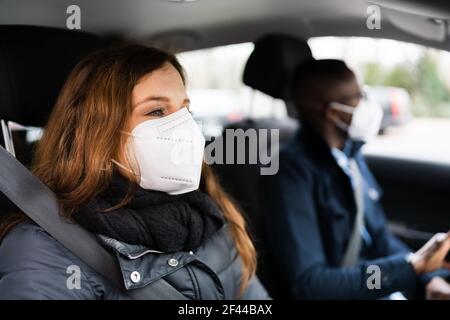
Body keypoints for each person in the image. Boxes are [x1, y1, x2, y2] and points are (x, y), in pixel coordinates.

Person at [0, 45, 269, 300]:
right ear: (97, 132)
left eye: (186, 110)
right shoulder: (45, 248)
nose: (185, 127)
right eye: (156, 111)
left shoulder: (209, 213)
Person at [260, 59, 450, 299]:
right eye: (359, 96)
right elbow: (311, 284)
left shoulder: (350, 156)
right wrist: (411, 267)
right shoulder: (289, 174)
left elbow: (380, 237)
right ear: (333, 112)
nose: (366, 103)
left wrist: (429, 278)